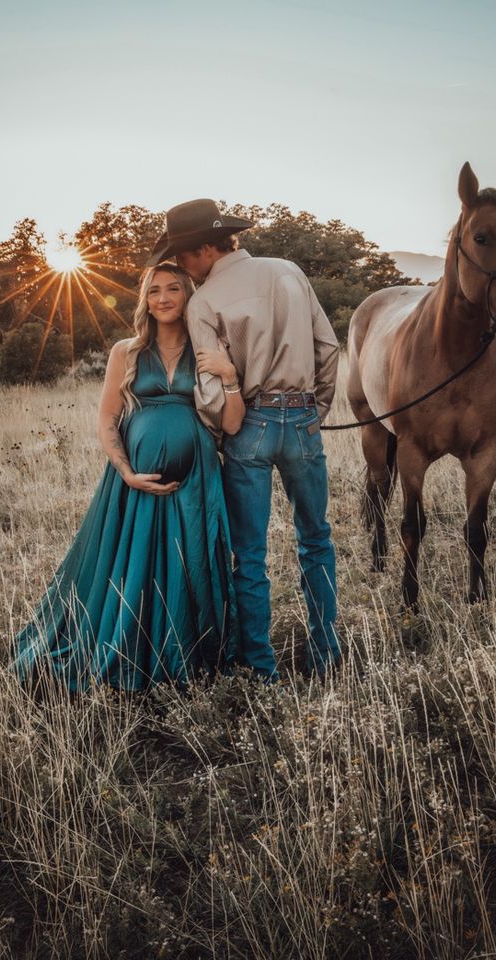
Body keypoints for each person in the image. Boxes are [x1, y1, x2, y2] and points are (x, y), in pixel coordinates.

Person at [11, 263, 244, 691]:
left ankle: (188, 656)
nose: (164, 297)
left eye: (175, 288)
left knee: (190, 560)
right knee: (130, 566)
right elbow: (107, 419)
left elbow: (230, 425)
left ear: (190, 296)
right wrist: (126, 472)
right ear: (145, 301)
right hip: (132, 483)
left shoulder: (209, 349)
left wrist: (229, 377)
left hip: (195, 482)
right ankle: (126, 649)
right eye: (154, 291)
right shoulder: (127, 351)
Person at [147, 199, 341, 682]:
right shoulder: (289, 270)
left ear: (205, 250)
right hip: (302, 421)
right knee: (316, 540)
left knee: (249, 555)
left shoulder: (205, 301)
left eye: (185, 258)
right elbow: (328, 348)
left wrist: (222, 427)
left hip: (248, 425)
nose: (186, 271)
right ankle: (326, 655)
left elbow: (213, 396)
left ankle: (260, 666)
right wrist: (312, 413)